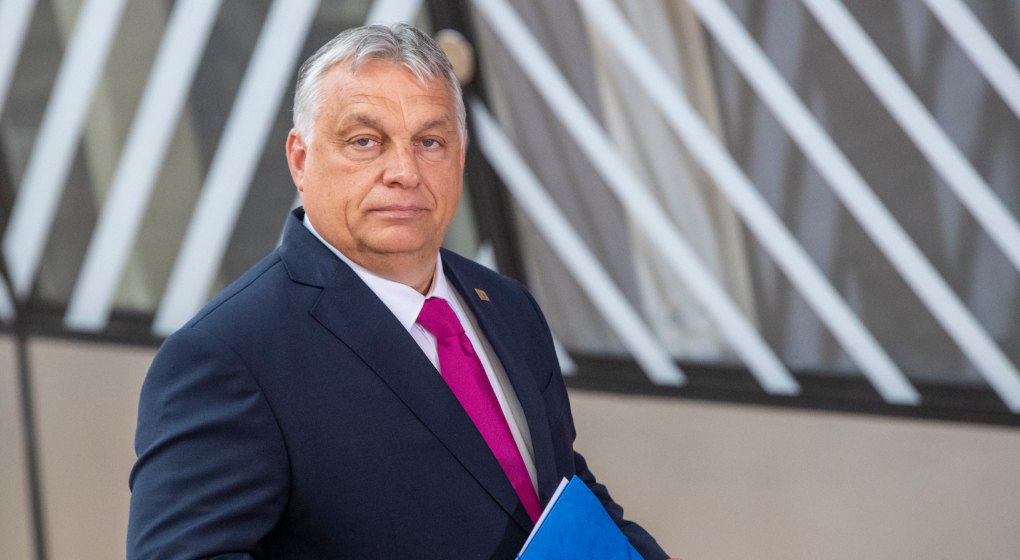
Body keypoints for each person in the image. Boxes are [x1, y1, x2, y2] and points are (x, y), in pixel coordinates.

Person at [128, 23, 673, 560]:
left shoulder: (509, 307)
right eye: (365, 142)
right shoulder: (227, 356)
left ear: (460, 156)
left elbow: (555, 493)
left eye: (429, 142)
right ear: (300, 159)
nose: (404, 171)